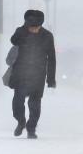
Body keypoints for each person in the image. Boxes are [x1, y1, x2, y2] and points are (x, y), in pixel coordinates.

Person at [9, 10, 56, 139]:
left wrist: (51, 79)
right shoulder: (22, 32)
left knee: (35, 104)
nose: (33, 30)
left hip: (38, 74)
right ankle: (21, 121)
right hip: (21, 74)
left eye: (36, 28)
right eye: (31, 28)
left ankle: (31, 129)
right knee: (17, 103)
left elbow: (51, 58)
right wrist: (24, 28)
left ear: (40, 26)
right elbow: (13, 41)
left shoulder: (47, 36)